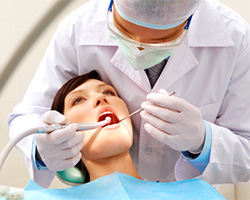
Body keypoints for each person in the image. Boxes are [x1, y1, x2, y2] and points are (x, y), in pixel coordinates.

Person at [8, 0, 250, 188]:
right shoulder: (77, 29)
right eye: (124, 31)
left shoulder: (236, 38)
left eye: (161, 40)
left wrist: (203, 141)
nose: (139, 49)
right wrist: (41, 150)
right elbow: (29, 116)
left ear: (188, 21)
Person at [24, 71, 225, 200]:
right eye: (78, 100)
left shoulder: (197, 194)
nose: (101, 98)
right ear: (61, 133)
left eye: (109, 93)